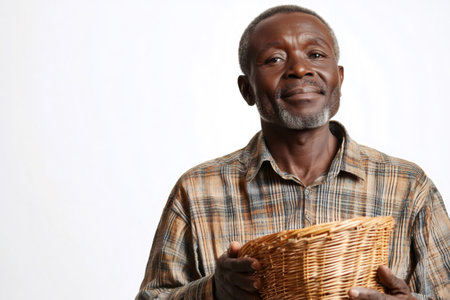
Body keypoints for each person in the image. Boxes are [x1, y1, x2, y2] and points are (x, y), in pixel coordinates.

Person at [136, 5, 450, 300]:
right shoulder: (198, 190)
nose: (300, 69)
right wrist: (214, 290)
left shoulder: (408, 186)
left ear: (339, 78)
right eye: (274, 59)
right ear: (247, 89)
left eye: (315, 55)